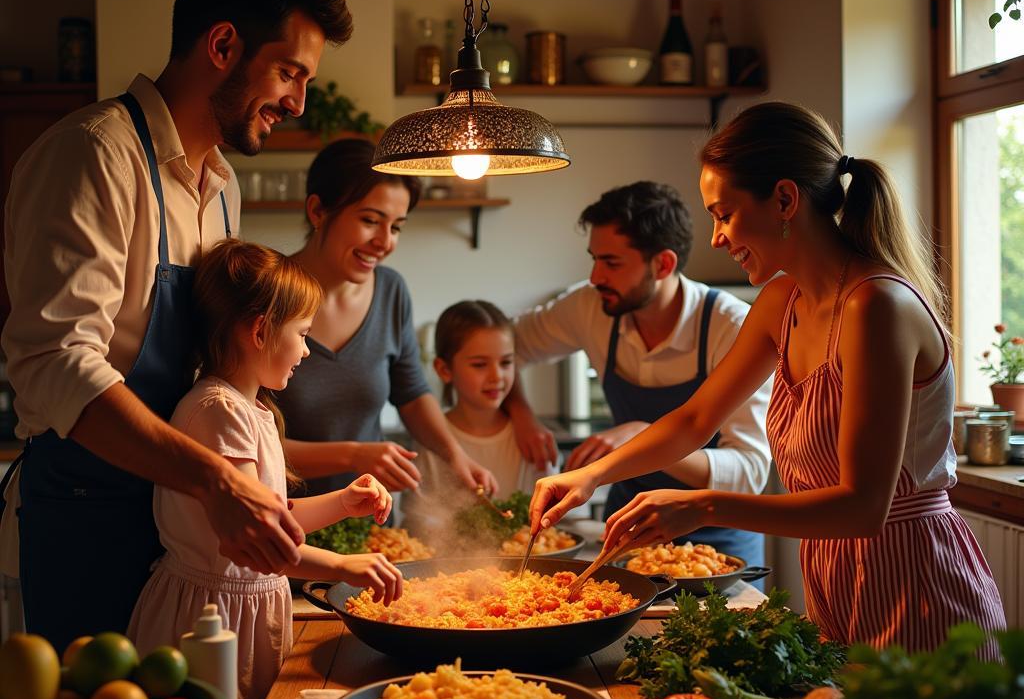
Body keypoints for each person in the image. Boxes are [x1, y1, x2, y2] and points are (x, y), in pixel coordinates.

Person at [530, 102, 1006, 652]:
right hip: (834, 576)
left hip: (914, 581)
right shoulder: (783, 299)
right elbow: (695, 418)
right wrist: (593, 477)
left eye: (723, 214)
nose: (714, 238)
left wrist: (703, 505)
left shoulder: (875, 305)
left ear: (784, 199)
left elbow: (863, 505)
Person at [0, 0, 354, 653]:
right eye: (290, 72)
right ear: (223, 45)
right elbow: (56, 363)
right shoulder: (93, 155)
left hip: (184, 535)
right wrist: (218, 483)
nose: (298, 101)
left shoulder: (221, 189)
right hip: (89, 517)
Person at [128, 240, 401, 699]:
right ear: (259, 331)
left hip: (244, 610)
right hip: (210, 618)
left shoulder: (250, 409)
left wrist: (342, 501)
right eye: (302, 334)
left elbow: (269, 515)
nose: (306, 351)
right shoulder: (218, 411)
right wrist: (341, 566)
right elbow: (258, 540)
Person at [508, 181, 772, 568]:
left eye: (612, 263)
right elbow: (501, 344)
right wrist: (521, 415)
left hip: (718, 552)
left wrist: (639, 434)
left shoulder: (730, 325)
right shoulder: (590, 305)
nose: (595, 276)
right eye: (594, 259)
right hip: (626, 538)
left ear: (663, 264)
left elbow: (749, 472)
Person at [277, 138, 497, 501]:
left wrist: (455, 456)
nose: (384, 242)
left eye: (396, 227)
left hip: (370, 517)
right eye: (369, 221)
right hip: (285, 520)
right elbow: (246, 440)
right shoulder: (266, 294)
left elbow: (411, 393)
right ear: (317, 211)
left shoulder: (390, 291)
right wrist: (353, 455)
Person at [400, 300, 551, 535]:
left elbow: (551, 520)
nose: (496, 376)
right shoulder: (430, 440)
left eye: (506, 362)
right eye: (480, 364)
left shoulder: (531, 440)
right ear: (444, 370)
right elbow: (416, 523)